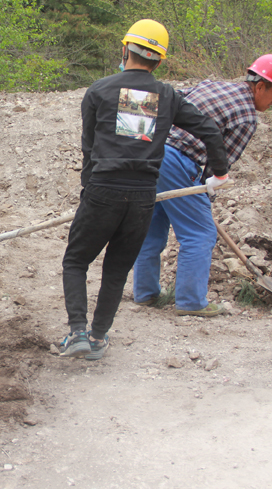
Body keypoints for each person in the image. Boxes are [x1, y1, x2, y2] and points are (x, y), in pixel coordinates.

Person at [59, 20, 230, 360]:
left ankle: (77, 332)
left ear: (125, 50)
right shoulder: (167, 96)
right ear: (159, 61)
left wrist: (87, 194)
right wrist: (219, 175)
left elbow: (89, 150)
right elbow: (210, 130)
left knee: (76, 260)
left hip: (103, 190)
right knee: (117, 268)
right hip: (142, 198)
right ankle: (98, 338)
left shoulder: (98, 91)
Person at [133, 54, 272, 317]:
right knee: (200, 233)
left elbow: (170, 99)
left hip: (150, 153)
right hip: (178, 161)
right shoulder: (248, 117)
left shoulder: (213, 85)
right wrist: (206, 197)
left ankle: (145, 294)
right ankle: (191, 302)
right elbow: (220, 162)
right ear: (260, 86)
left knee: (153, 226)